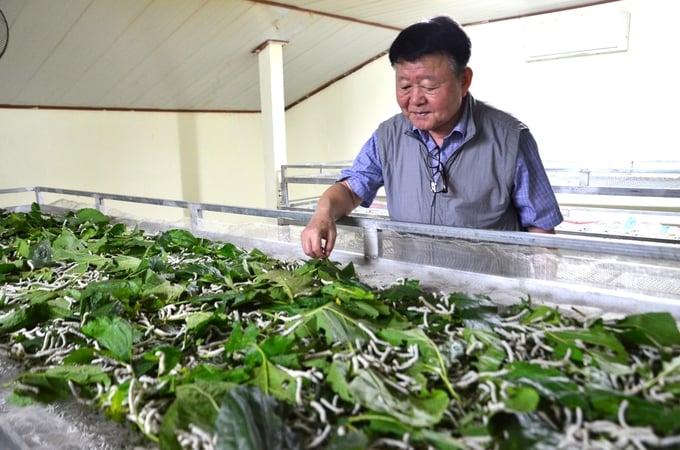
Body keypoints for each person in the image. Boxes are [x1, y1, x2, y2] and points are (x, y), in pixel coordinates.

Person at [301, 15, 563, 259]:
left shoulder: (509, 139)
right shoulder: (388, 136)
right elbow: (349, 189)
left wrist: (542, 293)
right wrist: (322, 214)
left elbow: (540, 232)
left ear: (464, 81)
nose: (415, 99)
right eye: (404, 86)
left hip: (489, 297)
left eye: (429, 86)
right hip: (412, 293)